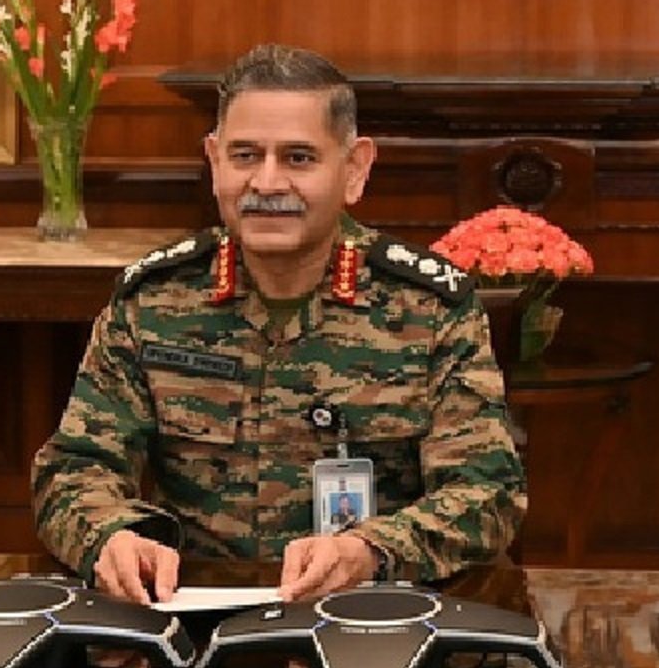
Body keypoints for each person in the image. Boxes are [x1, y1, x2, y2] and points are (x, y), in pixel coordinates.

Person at [32, 43, 526, 605]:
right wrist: (110, 537)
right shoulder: (153, 303)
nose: (266, 183)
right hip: (192, 614)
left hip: (368, 617)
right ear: (215, 161)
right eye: (245, 155)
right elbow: (73, 470)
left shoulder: (428, 308)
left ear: (355, 169)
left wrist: (373, 550)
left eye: (298, 158)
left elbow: (488, 492)